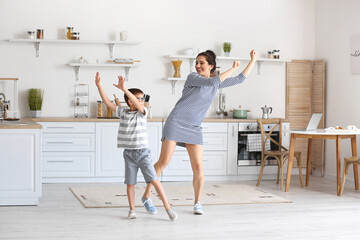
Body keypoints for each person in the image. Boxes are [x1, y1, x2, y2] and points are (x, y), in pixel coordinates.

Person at [142, 49, 257, 215]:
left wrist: (252, 60)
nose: (197, 66)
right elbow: (212, 82)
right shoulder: (193, 78)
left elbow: (240, 79)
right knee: (164, 162)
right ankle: (146, 196)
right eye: (196, 62)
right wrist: (232, 68)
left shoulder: (216, 82)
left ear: (211, 66)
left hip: (194, 127)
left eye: (201, 63)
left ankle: (197, 203)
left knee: (198, 167)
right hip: (176, 122)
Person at [95, 72, 177, 221]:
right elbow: (107, 102)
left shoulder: (143, 113)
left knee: (154, 180)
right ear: (130, 102)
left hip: (143, 153)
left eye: (142, 99)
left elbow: (138, 105)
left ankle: (168, 207)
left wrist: (124, 89)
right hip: (129, 154)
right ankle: (132, 210)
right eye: (138, 99)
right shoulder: (123, 112)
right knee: (130, 183)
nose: (141, 101)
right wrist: (99, 85)